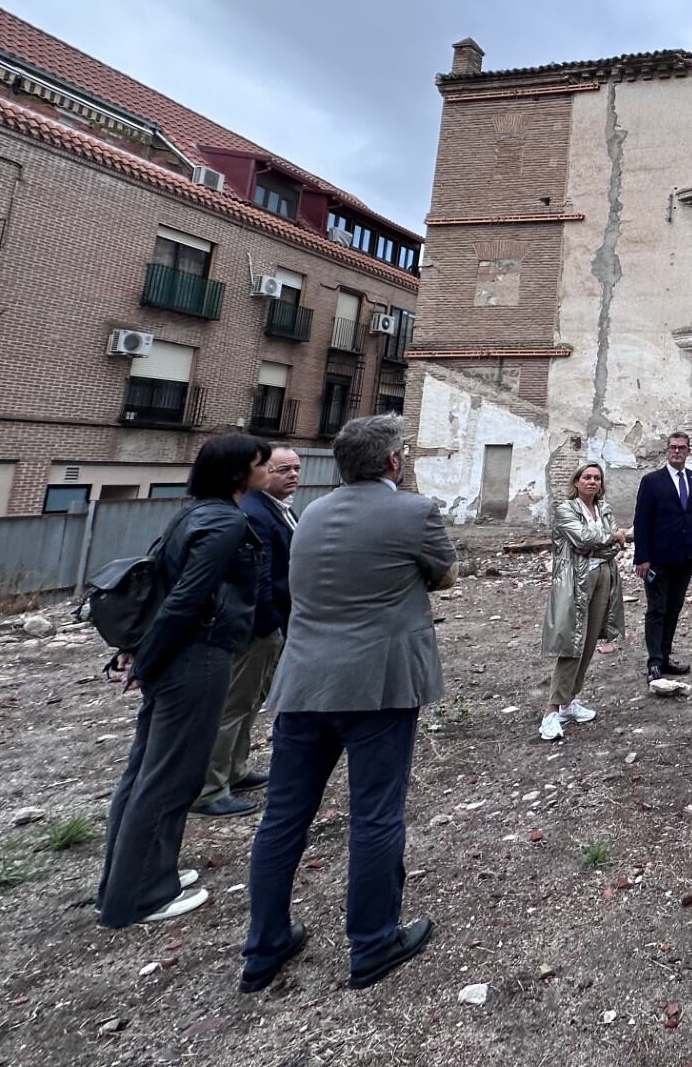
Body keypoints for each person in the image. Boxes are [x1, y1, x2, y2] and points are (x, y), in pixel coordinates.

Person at [240, 415, 457, 994]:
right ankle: (372, 942)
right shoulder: (414, 511)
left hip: (304, 683)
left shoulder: (310, 512)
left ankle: (263, 946)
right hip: (378, 685)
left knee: (283, 818)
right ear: (392, 462)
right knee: (375, 814)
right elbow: (445, 576)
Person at [95, 434, 270, 928]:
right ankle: (141, 896)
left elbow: (161, 583)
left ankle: (129, 880)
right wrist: (147, 659)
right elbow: (186, 598)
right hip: (197, 657)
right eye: (260, 462)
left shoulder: (192, 514)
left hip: (178, 656)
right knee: (171, 776)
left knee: (146, 770)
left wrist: (141, 654)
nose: (267, 467)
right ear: (240, 473)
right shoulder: (227, 521)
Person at [195, 445, 300, 816]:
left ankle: (235, 770)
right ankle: (208, 789)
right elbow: (260, 578)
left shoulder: (276, 511)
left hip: (267, 627)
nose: (292, 475)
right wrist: (271, 624)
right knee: (233, 705)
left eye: (296, 468)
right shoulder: (254, 514)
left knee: (249, 701)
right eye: (280, 468)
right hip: (258, 629)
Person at [539, 463, 627, 740]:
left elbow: (609, 546)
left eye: (597, 478)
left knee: (589, 641)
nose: (592, 481)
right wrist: (610, 538)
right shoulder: (566, 510)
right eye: (587, 477)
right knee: (572, 643)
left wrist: (599, 544)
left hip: (602, 576)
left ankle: (569, 701)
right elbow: (582, 536)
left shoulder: (605, 509)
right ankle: (551, 711)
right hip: (574, 582)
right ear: (576, 481)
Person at [631, 430, 692, 684]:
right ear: (667, 451)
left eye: (682, 448)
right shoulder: (652, 481)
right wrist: (642, 556)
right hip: (658, 558)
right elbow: (641, 520)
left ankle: (665, 656)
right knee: (657, 609)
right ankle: (654, 662)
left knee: (674, 608)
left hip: (685, 557)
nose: (677, 451)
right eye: (673, 447)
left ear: (688, 451)